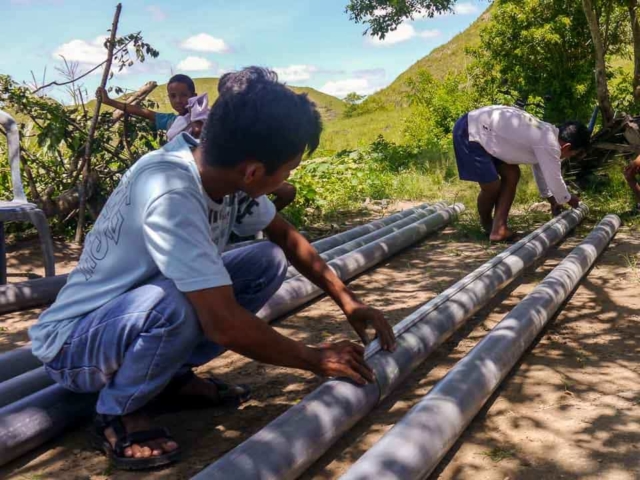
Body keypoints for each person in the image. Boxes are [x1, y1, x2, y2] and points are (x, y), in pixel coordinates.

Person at [29, 67, 395, 471]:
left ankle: (168, 376)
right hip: (74, 345)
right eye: (287, 170)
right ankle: (117, 410)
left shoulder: (224, 174)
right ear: (255, 171)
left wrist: (348, 301)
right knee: (179, 303)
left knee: (264, 260)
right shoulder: (170, 189)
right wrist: (314, 358)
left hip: (133, 316)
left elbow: (284, 237)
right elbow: (221, 322)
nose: (286, 180)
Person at [452, 105, 590, 241]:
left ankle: (498, 229)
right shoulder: (550, 144)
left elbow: (541, 170)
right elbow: (554, 179)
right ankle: (487, 224)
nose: (567, 158)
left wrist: (552, 199)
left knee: (512, 174)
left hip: (486, 133)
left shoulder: (547, 134)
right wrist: (569, 199)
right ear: (567, 147)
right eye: (572, 155)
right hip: (470, 131)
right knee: (491, 187)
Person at [97, 73, 197, 134]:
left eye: (184, 95)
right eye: (173, 96)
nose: (178, 100)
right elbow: (142, 112)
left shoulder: (204, 120)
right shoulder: (171, 121)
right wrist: (108, 101)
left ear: (194, 96)